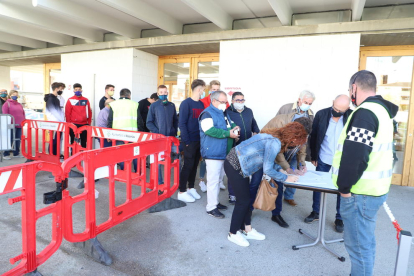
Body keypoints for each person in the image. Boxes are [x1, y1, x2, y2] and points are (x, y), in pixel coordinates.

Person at [332, 70, 397, 275]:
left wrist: (344, 189)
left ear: (354, 88)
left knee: (359, 247)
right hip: (374, 190)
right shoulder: (383, 112)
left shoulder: (365, 113)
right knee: (365, 243)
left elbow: (355, 156)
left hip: (360, 193)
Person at [224, 122, 307, 247]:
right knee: (243, 201)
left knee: (246, 200)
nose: (298, 146)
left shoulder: (274, 136)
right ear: (294, 139)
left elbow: (266, 160)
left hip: (240, 165)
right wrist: (286, 177)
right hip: (234, 165)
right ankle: (233, 233)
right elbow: (267, 169)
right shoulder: (275, 143)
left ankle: (247, 229)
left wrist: (280, 169)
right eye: (299, 143)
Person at [250, 117, 312, 228]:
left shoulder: (303, 133)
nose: (302, 139)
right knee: (255, 184)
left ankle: (276, 214)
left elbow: (302, 148)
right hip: (262, 157)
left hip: (283, 157)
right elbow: (277, 153)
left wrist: (302, 164)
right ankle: (248, 211)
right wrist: (287, 168)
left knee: (279, 186)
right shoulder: (280, 126)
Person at [306, 95, 352, 233]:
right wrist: (313, 156)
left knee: (341, 189)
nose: (336, 112)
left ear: (347, 109)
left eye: (340, 110)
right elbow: (314, 136)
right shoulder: (322, 114)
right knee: (318, 186)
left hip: (342, 160)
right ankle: (316, 212)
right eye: (335, 108)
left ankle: (339, 218)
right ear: (332, 103)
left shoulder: (352, 117)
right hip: (323, 156)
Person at [199, 91, 239, 219]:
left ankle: (215, 203)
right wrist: (228, 134)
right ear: (214, 101)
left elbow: (230, 124)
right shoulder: (207, 114)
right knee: (213, 181)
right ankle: (211, 208)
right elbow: (209, 130)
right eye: (223, 102)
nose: (225, 104)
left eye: (226, 102)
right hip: (213, 153)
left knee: (218, 179)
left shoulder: (223, 112)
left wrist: (234, 127)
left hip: (223, 152)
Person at [275, 90, 315, 206]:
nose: (307, 105)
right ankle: (275, 197)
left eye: (310, 103)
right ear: (299, 100)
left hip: (295, 149)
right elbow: (278, 128)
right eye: (306, 102)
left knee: (294, 171)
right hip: (283, 145)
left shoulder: (310, 114)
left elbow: (305, 139)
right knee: (281, 170)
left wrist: (302, 162)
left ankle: (289, 196)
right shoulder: (286, 108)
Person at [226, 92, 260, 204]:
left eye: (242, 100)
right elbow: (226, 128)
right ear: (232, 101)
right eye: (238, 100)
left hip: (248, 146)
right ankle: (232, 195)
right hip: (235, 146)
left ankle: (244, 193)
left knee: (246, 170)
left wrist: (256, 133)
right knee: (234, 171)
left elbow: (254, 124)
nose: (240, 102)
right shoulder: (227, 112)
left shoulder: (248, 111)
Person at [177, 79, 205, 203]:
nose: (203, 92)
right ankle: (181, 191)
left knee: (195, 165)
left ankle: (191, 187)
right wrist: (186, 141)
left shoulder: (201, 104)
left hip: (199, 140)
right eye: (203, 90)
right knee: (187, 165)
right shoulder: (186, 103)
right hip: (189, 141)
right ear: (199, 90)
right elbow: (181, 123)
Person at [147, 85, 179, 185]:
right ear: (158, 94)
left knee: (176, 159)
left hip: (170, 138)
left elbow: (175, 120)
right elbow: (149, 122)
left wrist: (173, 131)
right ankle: (159, 183)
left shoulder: (171, 105)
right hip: (158, 139)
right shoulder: (154, 106)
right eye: (161, 92)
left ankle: (177, 183)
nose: (164, 94)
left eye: (165, 92)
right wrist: (157, 132)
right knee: (158, 161)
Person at [108, 88, 143, 171]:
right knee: (135, 153)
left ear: (120, 95)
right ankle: (137, 172)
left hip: (118, 134)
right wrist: (141, 132)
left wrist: (109, 134)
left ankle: (124, 172)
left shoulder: (113, 104)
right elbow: (139, 120)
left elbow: (110, 120)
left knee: (122, 154)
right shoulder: (135, 104)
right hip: (133, 134)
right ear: (129, 95)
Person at [65, 83, 92, 149]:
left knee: (84, 141)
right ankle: (73, 155)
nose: (78, 91)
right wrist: (69, 124)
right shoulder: (70, 100)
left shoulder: (86, 100)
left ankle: (83, 155)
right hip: (73, 124)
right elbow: (67, 113)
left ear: (82, 90)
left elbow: (89, 112)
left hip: (84, 124)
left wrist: (89, 123)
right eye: (76, 89)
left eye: (79, 89)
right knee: (73, 141)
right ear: (73, 91)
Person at [2, 90, 25, 159]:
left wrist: (23, 121)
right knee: (10, 139)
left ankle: (16, 153)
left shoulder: (19, 104)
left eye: (16, 94)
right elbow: (5, 115)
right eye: (14, 94)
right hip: (11, 125)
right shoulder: (7, 104)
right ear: (10, 95)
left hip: (19, 124)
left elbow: (23, 113)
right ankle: (6, 154)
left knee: (18, 139)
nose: (15, 95)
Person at [44, 82, 65, 155]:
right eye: (61, 89)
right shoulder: (50, 98)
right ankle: (52, 154)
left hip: (58, 122)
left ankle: (56, 154)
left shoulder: (56, 99)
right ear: (56, 89)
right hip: (54, 122)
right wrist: (61, 120)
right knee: (54, 140)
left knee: (58, 139)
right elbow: (53, 111)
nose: (61, 90)